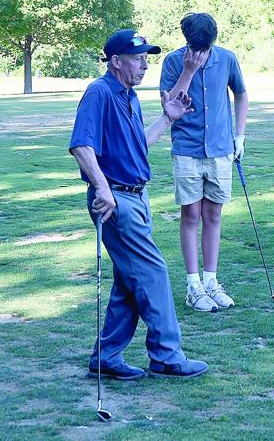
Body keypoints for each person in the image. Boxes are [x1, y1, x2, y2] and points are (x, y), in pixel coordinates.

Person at [69, 29, 208, 379]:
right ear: (116, 61)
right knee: (153, 272)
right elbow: (81, 146)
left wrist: (167, 118)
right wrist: (102, 189)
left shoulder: (128, 95)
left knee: (128, 281)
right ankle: (166, 355)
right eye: (137, 58)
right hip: (116, 201)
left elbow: (137, 144)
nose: (145, 65)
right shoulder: (99, 93)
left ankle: (107, 357)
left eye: (147, 58)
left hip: (136, 197)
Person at [160, 13, 249, 312]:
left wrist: (240, 135)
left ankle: (211, 281)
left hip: (221, 149)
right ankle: (193, 286)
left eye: (204, 47)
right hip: (186, 149)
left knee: (213, 216)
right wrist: (188, 70)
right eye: (194, 47)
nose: (200, 53)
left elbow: (241, 93)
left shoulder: (226, 58)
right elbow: (170, 103)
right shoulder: (173, 61)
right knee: (191, 216)